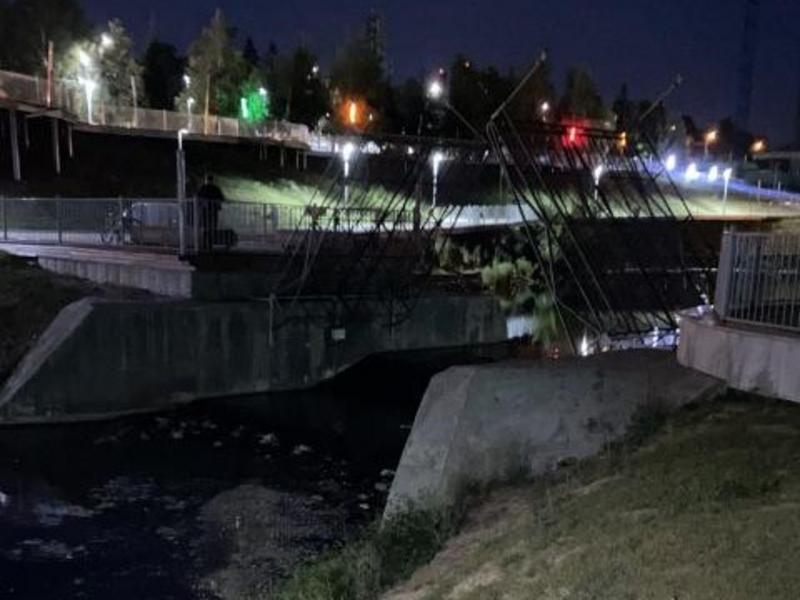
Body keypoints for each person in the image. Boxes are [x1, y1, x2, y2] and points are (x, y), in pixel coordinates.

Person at [196, 174, 225, 252]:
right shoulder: (216, 188)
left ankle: (205, 244)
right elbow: (222, 198)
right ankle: (210, 244)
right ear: (213, 180)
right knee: (212, 226)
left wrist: (201, 204)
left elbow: (198, 197)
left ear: (207, 180)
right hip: (213, 210)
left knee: (206, 227)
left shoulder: (203, 188)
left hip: (205, 210)